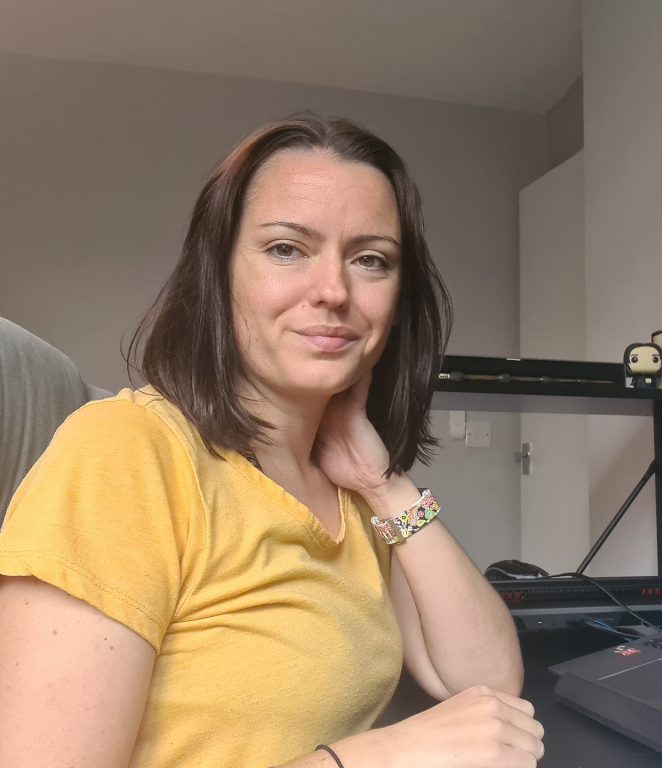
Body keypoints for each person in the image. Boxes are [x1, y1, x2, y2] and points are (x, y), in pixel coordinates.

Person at [0, 115, 544, 768]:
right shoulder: (125, 452)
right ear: (220, 273)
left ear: (397, 301)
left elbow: (484, 682)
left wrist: (385, 485)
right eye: (287, 248)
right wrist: (366, 761)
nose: (334, 291)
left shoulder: (354, 494)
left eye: (371, 260)